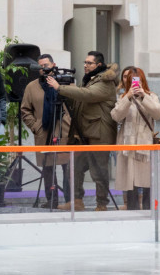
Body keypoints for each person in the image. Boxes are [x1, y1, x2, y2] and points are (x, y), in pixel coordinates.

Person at [47, 51, 118, 211]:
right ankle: (77, 201)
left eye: (89, 63)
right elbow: (80, 100)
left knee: (99, 172)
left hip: (100, 134)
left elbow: (88, 95)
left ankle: (102, 204)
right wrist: (63, 92)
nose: (85, 66)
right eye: (84, 62)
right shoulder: (90, 80)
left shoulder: (105, 82)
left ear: (98, 65)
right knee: (75, 167)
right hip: (84, 132)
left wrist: (60, 87)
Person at [110, 66, 160, 210]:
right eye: (131, 80)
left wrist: (143, 96)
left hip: (145, 146)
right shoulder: (123, 97)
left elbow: (158, 114)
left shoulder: (151, 96)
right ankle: (132, 211)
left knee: (147, 182)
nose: (134, 83)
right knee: (130, 184)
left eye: (137, 80)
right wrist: (128, 96)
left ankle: (149, 212)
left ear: (142, 81)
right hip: (127, 145)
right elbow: (116, 116)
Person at [20, 54, 71, 208]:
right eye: (41, 66)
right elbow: (25, 110)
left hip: (64, 131)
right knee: (48, 169)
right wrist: (36, 127)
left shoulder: (65, 82)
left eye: (46, 65)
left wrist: (71, 122)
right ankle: (52, 201)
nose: (44, 69)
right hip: (44, 132)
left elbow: (77, 105)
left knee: (68, 167)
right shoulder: (32, 86)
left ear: (53, 64)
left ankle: (71, 200)